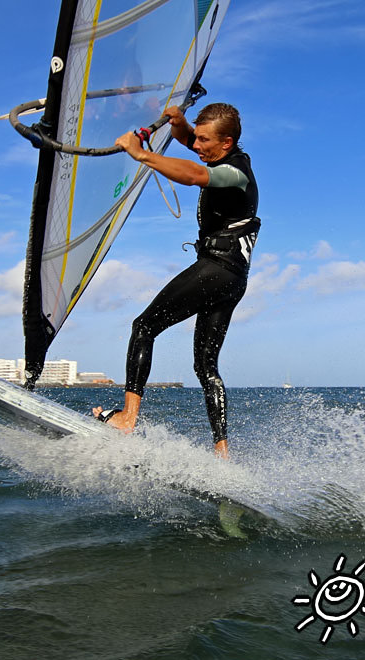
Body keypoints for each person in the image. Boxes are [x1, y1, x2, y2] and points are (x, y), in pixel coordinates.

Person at [92, 102, 259, 460]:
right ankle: (222, 450)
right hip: (233, 279)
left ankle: (128, 417)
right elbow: (190, 149)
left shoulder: (235, 173)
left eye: (203, 140)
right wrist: (181, 125)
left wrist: (140, 154)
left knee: (144, 326)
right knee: (205, 366)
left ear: (226, 143)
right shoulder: (223, 157)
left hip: (216, 268)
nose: (196, 146)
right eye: (196, 138)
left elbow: (193, 174)